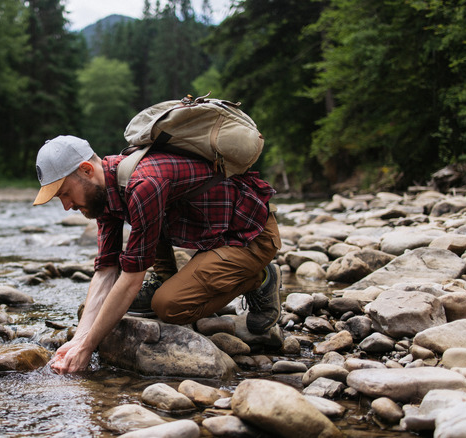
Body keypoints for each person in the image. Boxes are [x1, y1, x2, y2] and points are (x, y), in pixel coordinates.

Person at [33, 135, 281, 374]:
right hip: (212, 231)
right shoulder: (106, 190)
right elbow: (106, 269)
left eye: (64, 193)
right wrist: (78, 339)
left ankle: (259, 277)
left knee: (168, 306)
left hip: (250, 234)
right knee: (136, 300)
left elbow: (130, 279)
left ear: (87, 170)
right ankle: (167, 277)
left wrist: (87, 349)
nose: (66, 206)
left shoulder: (142, 183)